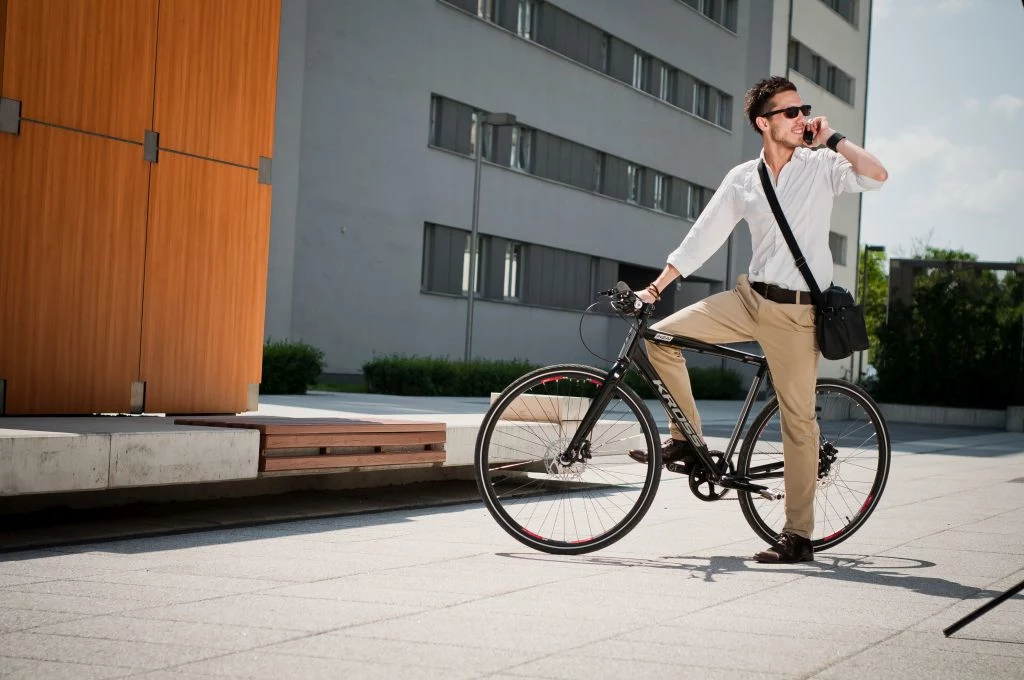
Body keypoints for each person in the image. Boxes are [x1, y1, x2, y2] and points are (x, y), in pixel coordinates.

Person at [630, 76, 888, 563]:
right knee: (661, 337)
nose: (800, 118)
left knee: (798, 423)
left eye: (802, 110)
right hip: (750, 299)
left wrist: (831, 137)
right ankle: (686, 439)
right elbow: (704, 237)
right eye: (789, 112)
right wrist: (656, 288)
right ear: (762, 122)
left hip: (796, 316)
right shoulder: (744, 178)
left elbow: (877, 176)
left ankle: (798, 536)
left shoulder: (822, 167)